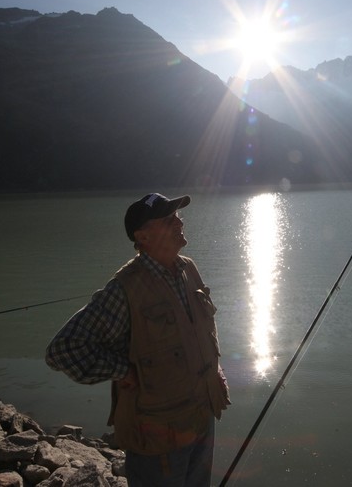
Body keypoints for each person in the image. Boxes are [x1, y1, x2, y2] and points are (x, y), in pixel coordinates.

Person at [46, 193, 230, 486]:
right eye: (168, 218)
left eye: (178, 216)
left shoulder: (188, 268)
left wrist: (214, 370)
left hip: (201, 418)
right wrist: (123, 370)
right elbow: (64, 350)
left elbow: (197, 335)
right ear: (142, 236)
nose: (179, 222)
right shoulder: (124, 288)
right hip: (158, 435)